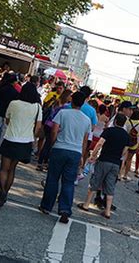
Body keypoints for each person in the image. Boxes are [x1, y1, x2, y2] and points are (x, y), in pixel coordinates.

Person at [39, 91, 91, 224]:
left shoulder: (63, 113)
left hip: (60, 148)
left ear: (72, 101)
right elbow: (85, 141)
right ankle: (65, 210)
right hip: (75, 152)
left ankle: (46, 206)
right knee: (68, 182)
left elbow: (54, 130)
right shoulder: (87, 120)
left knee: (53, 178)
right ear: (83, 102)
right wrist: (81, 155)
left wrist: (54, 143)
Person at [0, 83, 42, 207]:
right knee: (12, 169)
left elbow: (7, 120)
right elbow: (38, 127)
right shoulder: (37, 107)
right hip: (25, 141)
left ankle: (2, 191)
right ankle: (6, 191)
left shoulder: (14, 103)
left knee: (3, 168)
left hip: (10, 137)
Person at [78, 113, 129, 219]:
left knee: (95, 181)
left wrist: (93, 155)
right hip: (115, 163)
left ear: (115, 122)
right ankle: (107, 211)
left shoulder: (108, 131)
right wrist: (119, 156)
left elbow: (100, 143)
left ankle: (86, 204)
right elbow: (125, 150)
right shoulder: (125, 135)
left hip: (104, 159)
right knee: (110, 186)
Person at [36, 89, 72, 171]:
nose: (71, 98)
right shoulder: (66, 106)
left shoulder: (57, 101)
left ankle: (41, 161)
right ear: (67, 96)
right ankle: (44, 162)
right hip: (54, 125)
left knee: (47, 144)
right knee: (50, 144)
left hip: (48, 124)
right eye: (70, 96)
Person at [0, 73, 19, 148]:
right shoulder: (15, 92)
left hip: (0, 109)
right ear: (13, 82)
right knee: (5, 128)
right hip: (9, 111)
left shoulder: (2, 88)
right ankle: (0, 144)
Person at [120, 109, 139, 180]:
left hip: (125, 142)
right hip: (134, 144)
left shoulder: (127, 122)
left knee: (122, 158)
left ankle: (119, 174)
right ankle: (125, 175)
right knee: (129, 160)